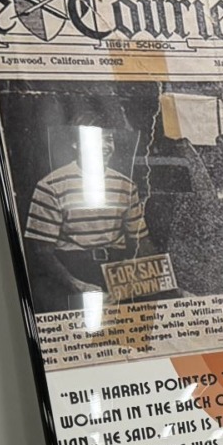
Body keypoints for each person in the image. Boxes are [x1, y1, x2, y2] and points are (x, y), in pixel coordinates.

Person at [23, 114, 158, 309]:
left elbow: (141, 241)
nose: (105, 146)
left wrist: (167, 282)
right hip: (72, 272)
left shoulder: (125, 186)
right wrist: (77, 285)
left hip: (115, 270)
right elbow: (41, 252)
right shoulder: (50, 186)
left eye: (109, 139)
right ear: (76, 145)